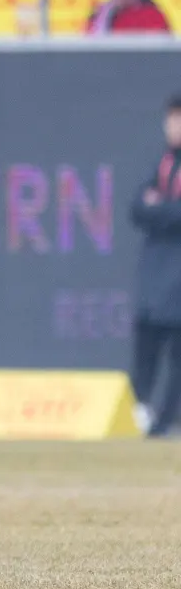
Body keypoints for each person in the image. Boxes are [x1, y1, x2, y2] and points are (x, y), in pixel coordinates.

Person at [129, 94, 181, 437]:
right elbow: (136, 207)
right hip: (156, 274)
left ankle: (165, 423)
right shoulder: (163, 163)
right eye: (171, 119)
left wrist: (159, 208)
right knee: (145, 343)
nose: (173, 126)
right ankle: (142, 410)